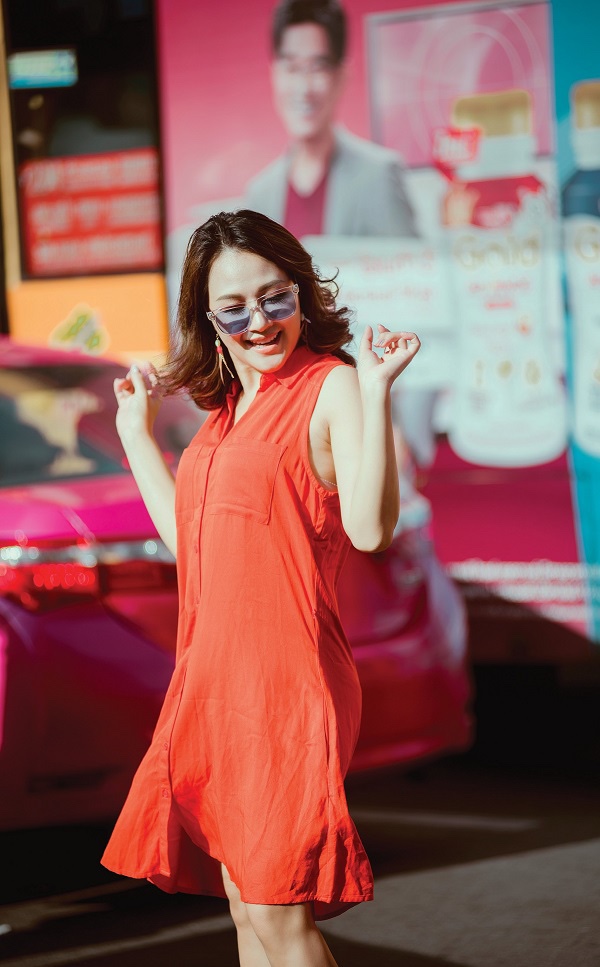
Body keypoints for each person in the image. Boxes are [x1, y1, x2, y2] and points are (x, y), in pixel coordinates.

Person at [101, 209, 420, 967]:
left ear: (300, 291)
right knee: (248, 910)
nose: (260, 322)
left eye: (275, 296)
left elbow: (371, 529)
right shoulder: (223, 412)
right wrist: (137, 435)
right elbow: (193, 543)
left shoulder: (331, 385)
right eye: (235, 308)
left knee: (279, 914)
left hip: (288, 684)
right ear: (208, 321)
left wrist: (375, 391)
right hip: (214, 683)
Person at [245, 0, 417, 238]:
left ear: (341, 76)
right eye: (292, 68)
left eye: (318, 67)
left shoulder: (379, 175)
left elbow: (411, 262)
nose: (304, 88)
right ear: (274, 74)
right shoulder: (259, 196)